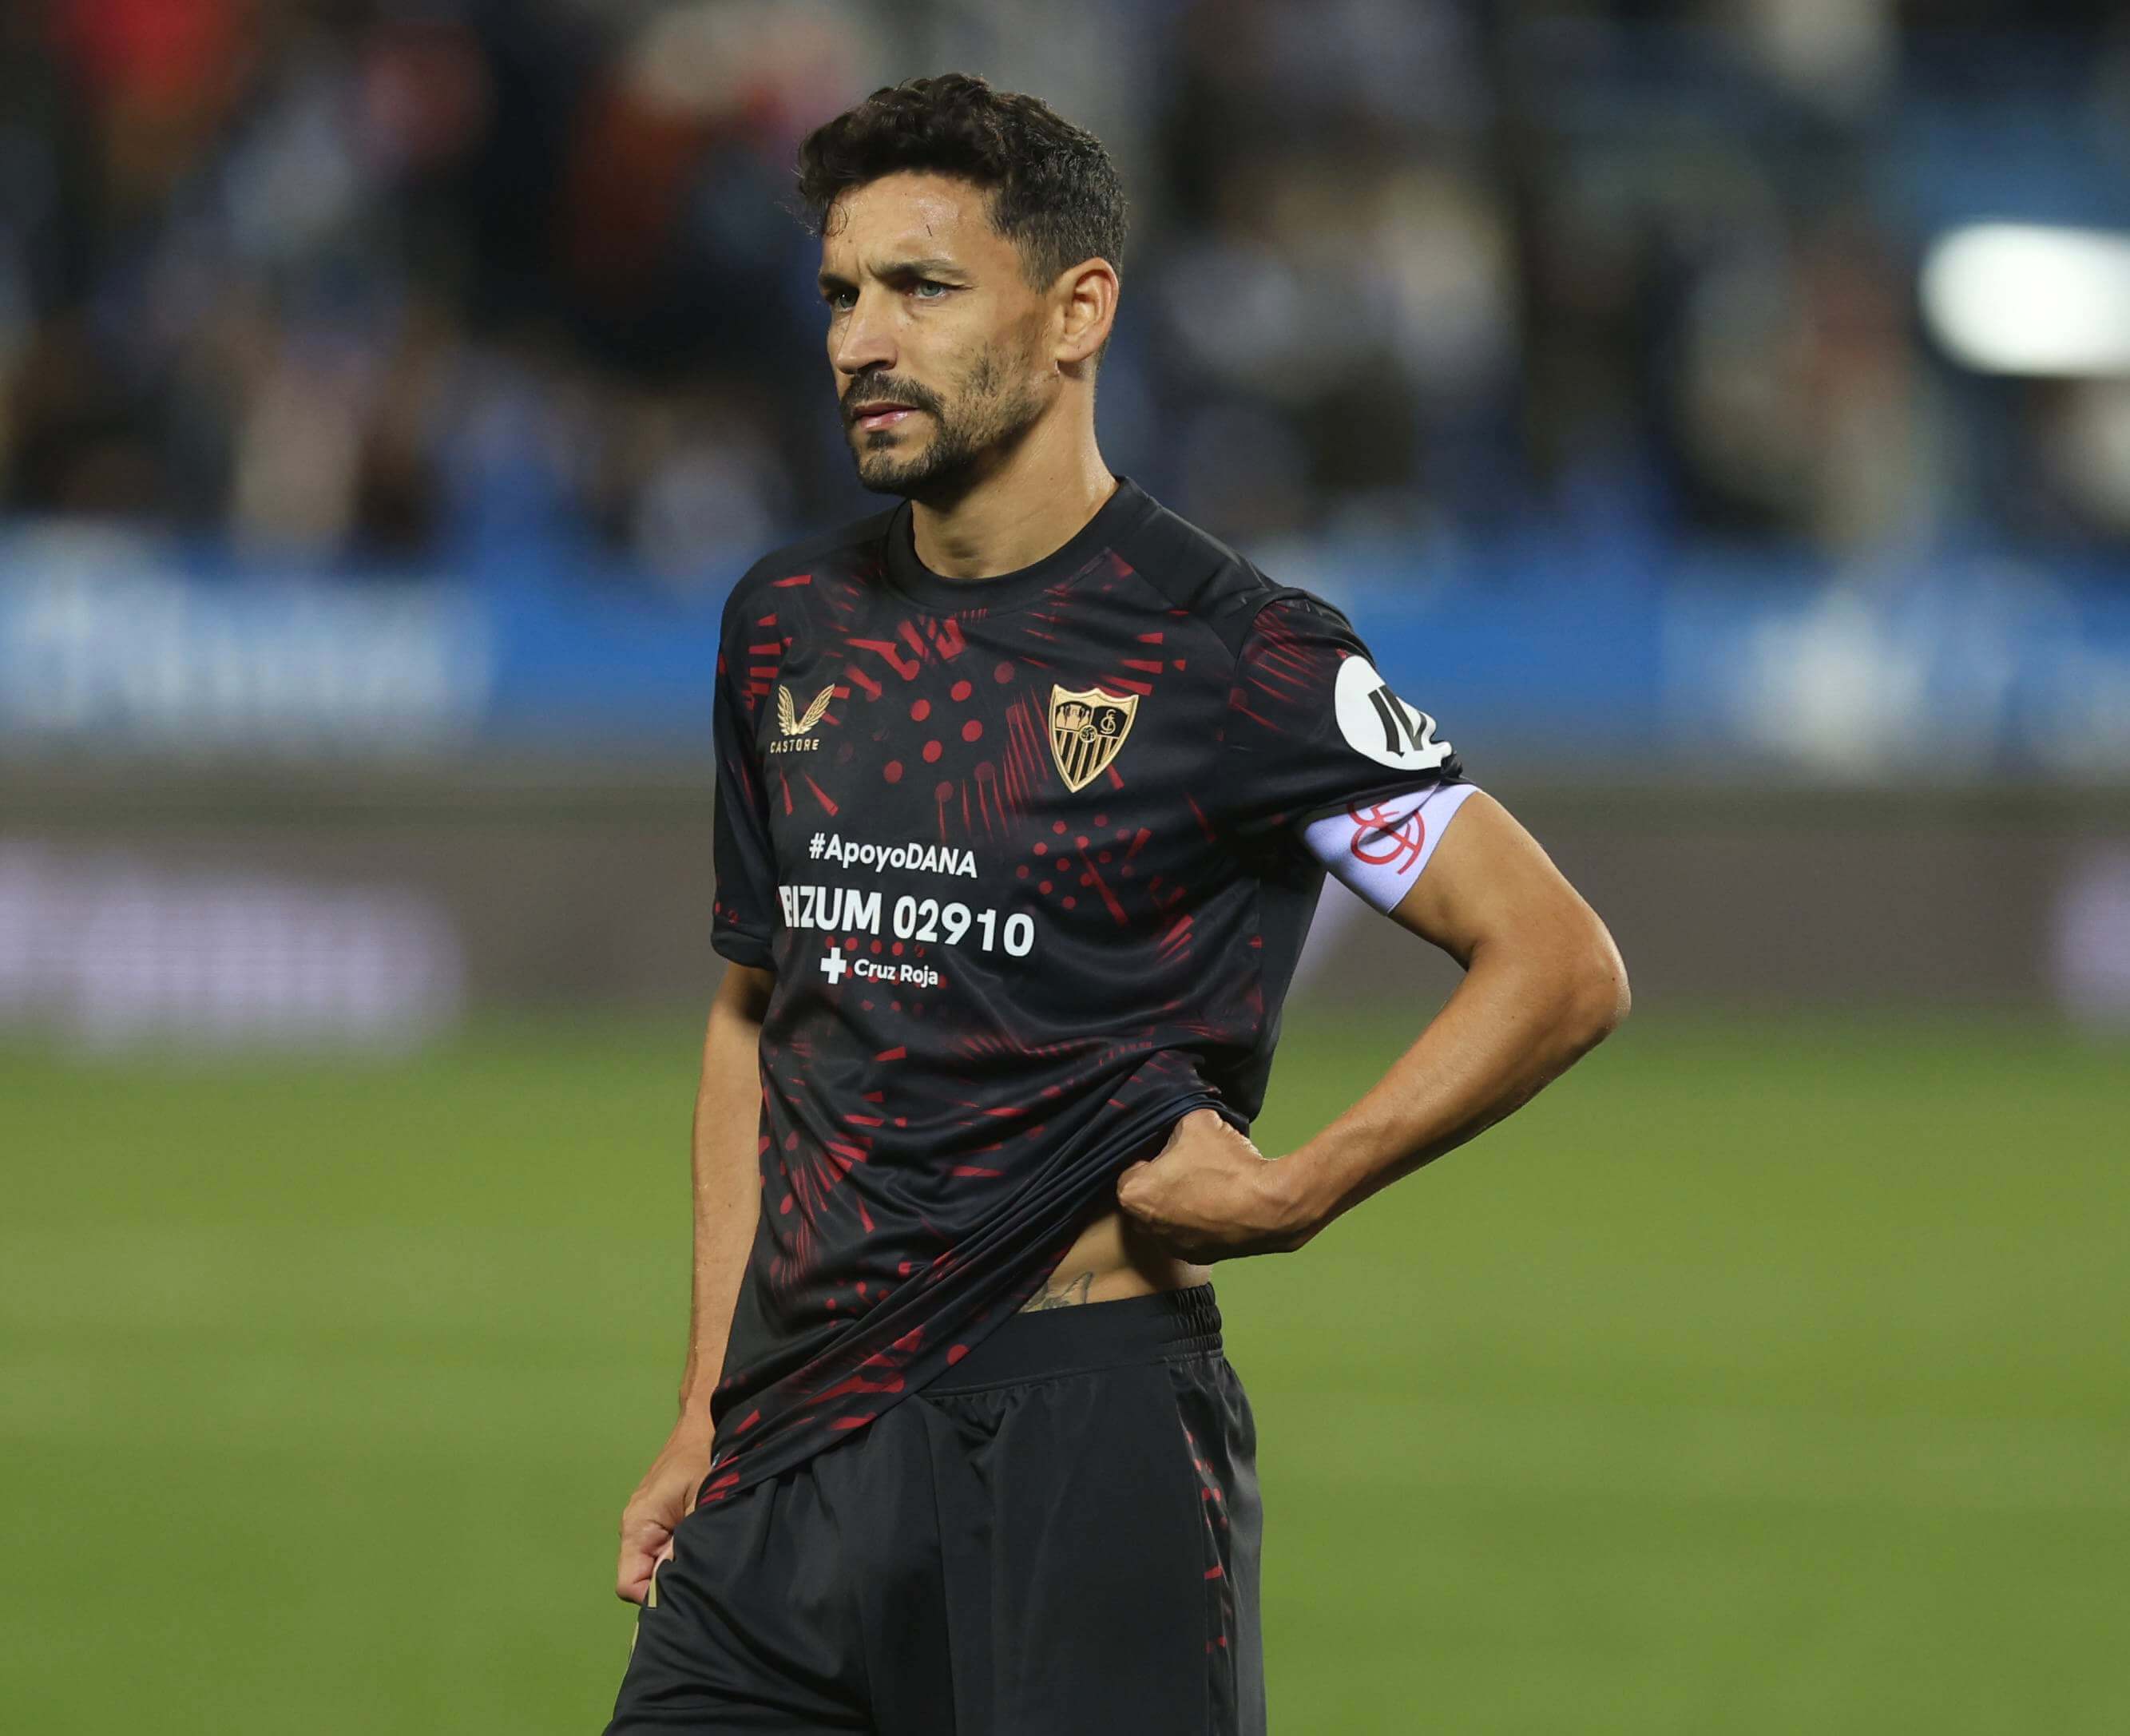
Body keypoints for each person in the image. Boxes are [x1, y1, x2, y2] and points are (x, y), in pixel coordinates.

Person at [606, 72, 1628, 1736]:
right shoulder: (783, 622)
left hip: (1080, 1442)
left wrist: (1301, 1186)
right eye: (841, 294)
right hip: (786, 1453)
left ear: (1077, 309)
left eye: (921, 288)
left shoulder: (1237, 653)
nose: (862, 337)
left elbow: (1555, 959)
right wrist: (706, 1403)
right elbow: (753, 1019)